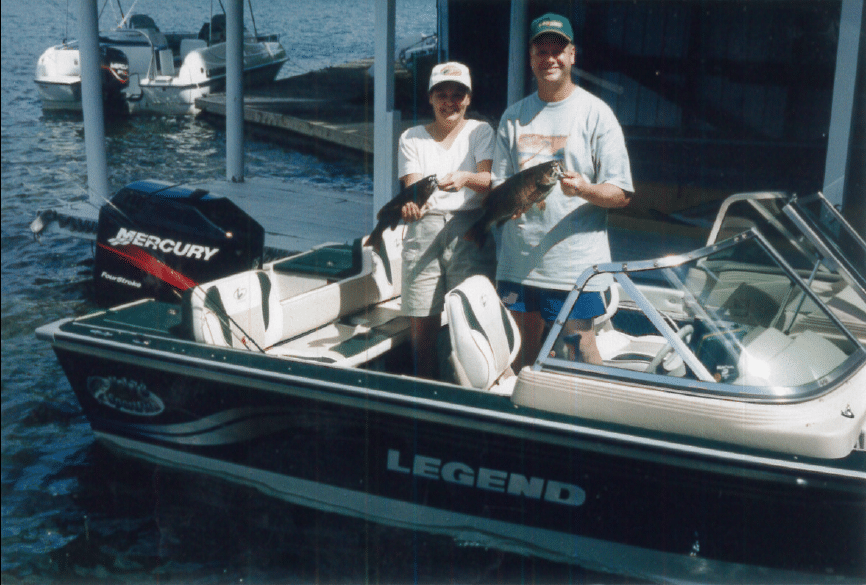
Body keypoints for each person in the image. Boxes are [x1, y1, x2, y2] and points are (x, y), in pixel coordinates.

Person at [491, 13, 634, 369]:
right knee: (525, 351)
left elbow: (622, 193)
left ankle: (594, 419)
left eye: (558, 50)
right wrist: (509, 205)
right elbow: (498, 184)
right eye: (541, 50)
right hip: (519, 261)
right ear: (531, 58)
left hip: (574, 267)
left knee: (581, 349)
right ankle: (530, 420)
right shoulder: (513, 116)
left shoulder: (596, 114)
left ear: (572, 55)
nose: (549, 58)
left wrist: (586, 191)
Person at [397, 62, 497, 379]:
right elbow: (413, 190)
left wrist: (467, 178)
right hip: (423, 229)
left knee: (469, 321)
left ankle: (469, 390)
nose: (449, 102)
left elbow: (490, 181)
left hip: (469, 226)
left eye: (457, 94)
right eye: (442, 94)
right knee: (421, 324)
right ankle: (426, 393)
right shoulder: (411, 137)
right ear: (430, 98)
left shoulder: (480, 130)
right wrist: (411, 207)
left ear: (468, 99)